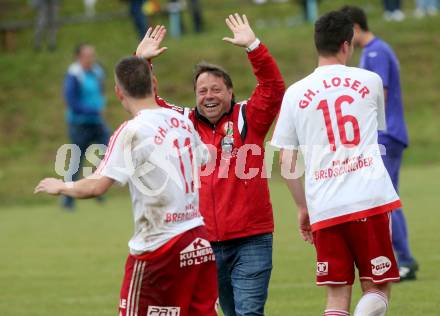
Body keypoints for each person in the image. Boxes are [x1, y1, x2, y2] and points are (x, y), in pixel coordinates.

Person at [35, 53, 218, 315]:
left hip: (159, 246)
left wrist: (61, 186)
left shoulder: (132, 131)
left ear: (118, 92)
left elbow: (97, 186)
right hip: (198, 241)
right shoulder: (182, 122)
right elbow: (206, 157)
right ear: (154, 83)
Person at [135, 14, 285, 316]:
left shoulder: (248, 117)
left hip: (251, 240)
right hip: (204, 243)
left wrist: (254, 47)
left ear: (230, 93)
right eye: (202, 91)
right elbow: (148, 104)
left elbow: (273, 87)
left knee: (249, 313)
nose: (209, 96)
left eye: (216, 89)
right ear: (194, 97)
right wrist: (142, 63)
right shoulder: (184, 122)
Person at [271, 10, 401, 316]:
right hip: (369, 199)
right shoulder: (370, 81)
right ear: (348, 44)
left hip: (325, 207)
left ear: (318, 44)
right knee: (377, 288)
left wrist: (302, 207)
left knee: (336, 296)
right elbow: (376, 132)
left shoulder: (294, 93)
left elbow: (286, 159)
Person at [341, 5, 418, 282]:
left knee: (385, 198)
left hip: (387, 134)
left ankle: (405, 259)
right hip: (386, 134)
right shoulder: (373, 52)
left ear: (356, 28)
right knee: (384, 197)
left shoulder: (376, 52)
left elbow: (379, 95)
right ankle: (402, 258)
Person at [62, 44, 110, 209]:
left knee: (108, 153)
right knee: (76, 160)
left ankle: (96, 189)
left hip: (97, 122)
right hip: (79, 123)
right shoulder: (74, 74)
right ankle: (68, 198)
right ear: (78, 57)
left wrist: (101, 105)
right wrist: (92, 109)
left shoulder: (97, 71)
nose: (90, 59)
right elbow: (71, 101)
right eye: (87, 55)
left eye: (92, 55)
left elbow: (101, 91)